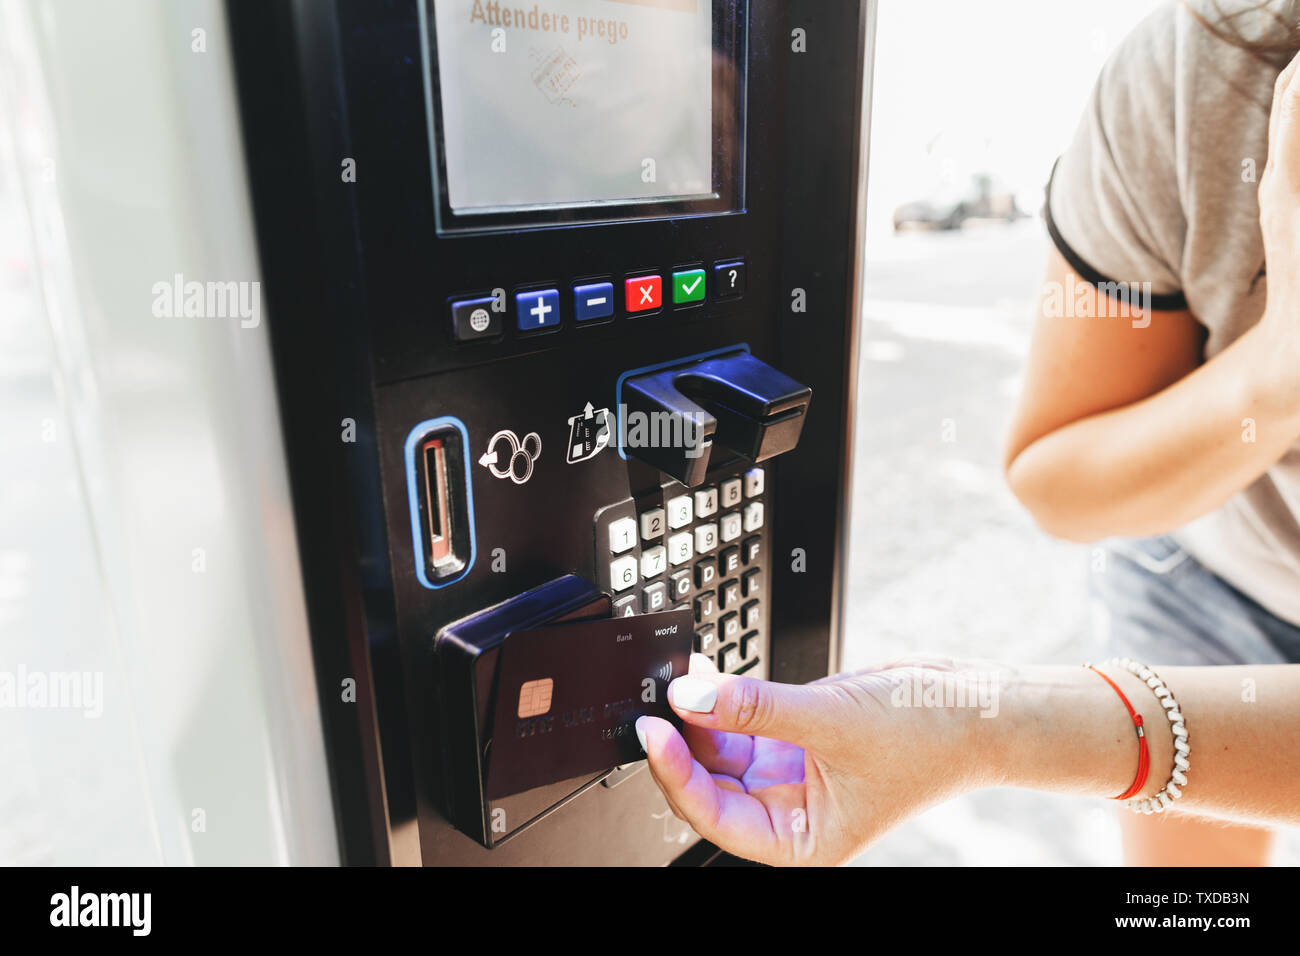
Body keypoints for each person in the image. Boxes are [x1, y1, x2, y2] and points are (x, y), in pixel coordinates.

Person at [637, 4, 1300, 866]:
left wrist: (982, 730)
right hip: (1213, 574)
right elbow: (1058, 475)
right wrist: (1278, 377)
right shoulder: (1195, 71)